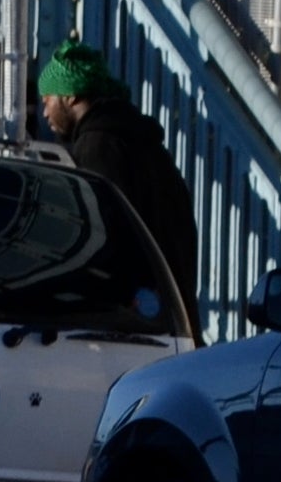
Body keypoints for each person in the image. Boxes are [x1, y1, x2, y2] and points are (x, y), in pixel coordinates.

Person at [36, 41, 201, 317]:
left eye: (47, 100)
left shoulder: (96, 146)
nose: (44, 113)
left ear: (71, 96)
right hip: (171, 306)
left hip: (134, 315)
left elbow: (104, 233)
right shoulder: (144, 142)